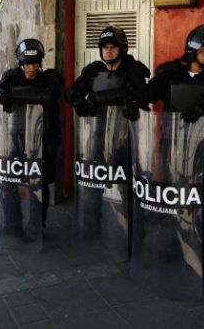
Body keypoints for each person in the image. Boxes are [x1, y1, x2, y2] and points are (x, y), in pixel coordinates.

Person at [146, 24, 204, 274]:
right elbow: (148, 94)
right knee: (173, 200)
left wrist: (203, 107)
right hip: (175, 150)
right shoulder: (171, 74)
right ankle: (173, 247)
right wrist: (135, 100)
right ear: (192, 50)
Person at [64, 25, 149, 247]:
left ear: (122, 49)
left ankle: (133, 236)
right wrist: (77, 101)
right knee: (93, 185)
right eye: (105, 47)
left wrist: (98, 98)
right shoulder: (94, 70)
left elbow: (138, 94)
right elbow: (71, 91)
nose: (109, 51)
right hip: (96, 137)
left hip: (124, 140)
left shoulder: (134, 70)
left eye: (113, 47)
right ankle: (91, 230)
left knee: (126, 188)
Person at [0, 38, 63, 227]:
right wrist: (1, 95)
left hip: (43, 138)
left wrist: (14, 96)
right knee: (10, 181)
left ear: (40, 62)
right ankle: (13, 222)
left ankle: (37, 221)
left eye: (34, 63)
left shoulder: (49, 77)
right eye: (27, 63)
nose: (31, 67)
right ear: (21, 63)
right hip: (17, 136)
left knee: (39, 183)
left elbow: (50, 98)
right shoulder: (12, 76)